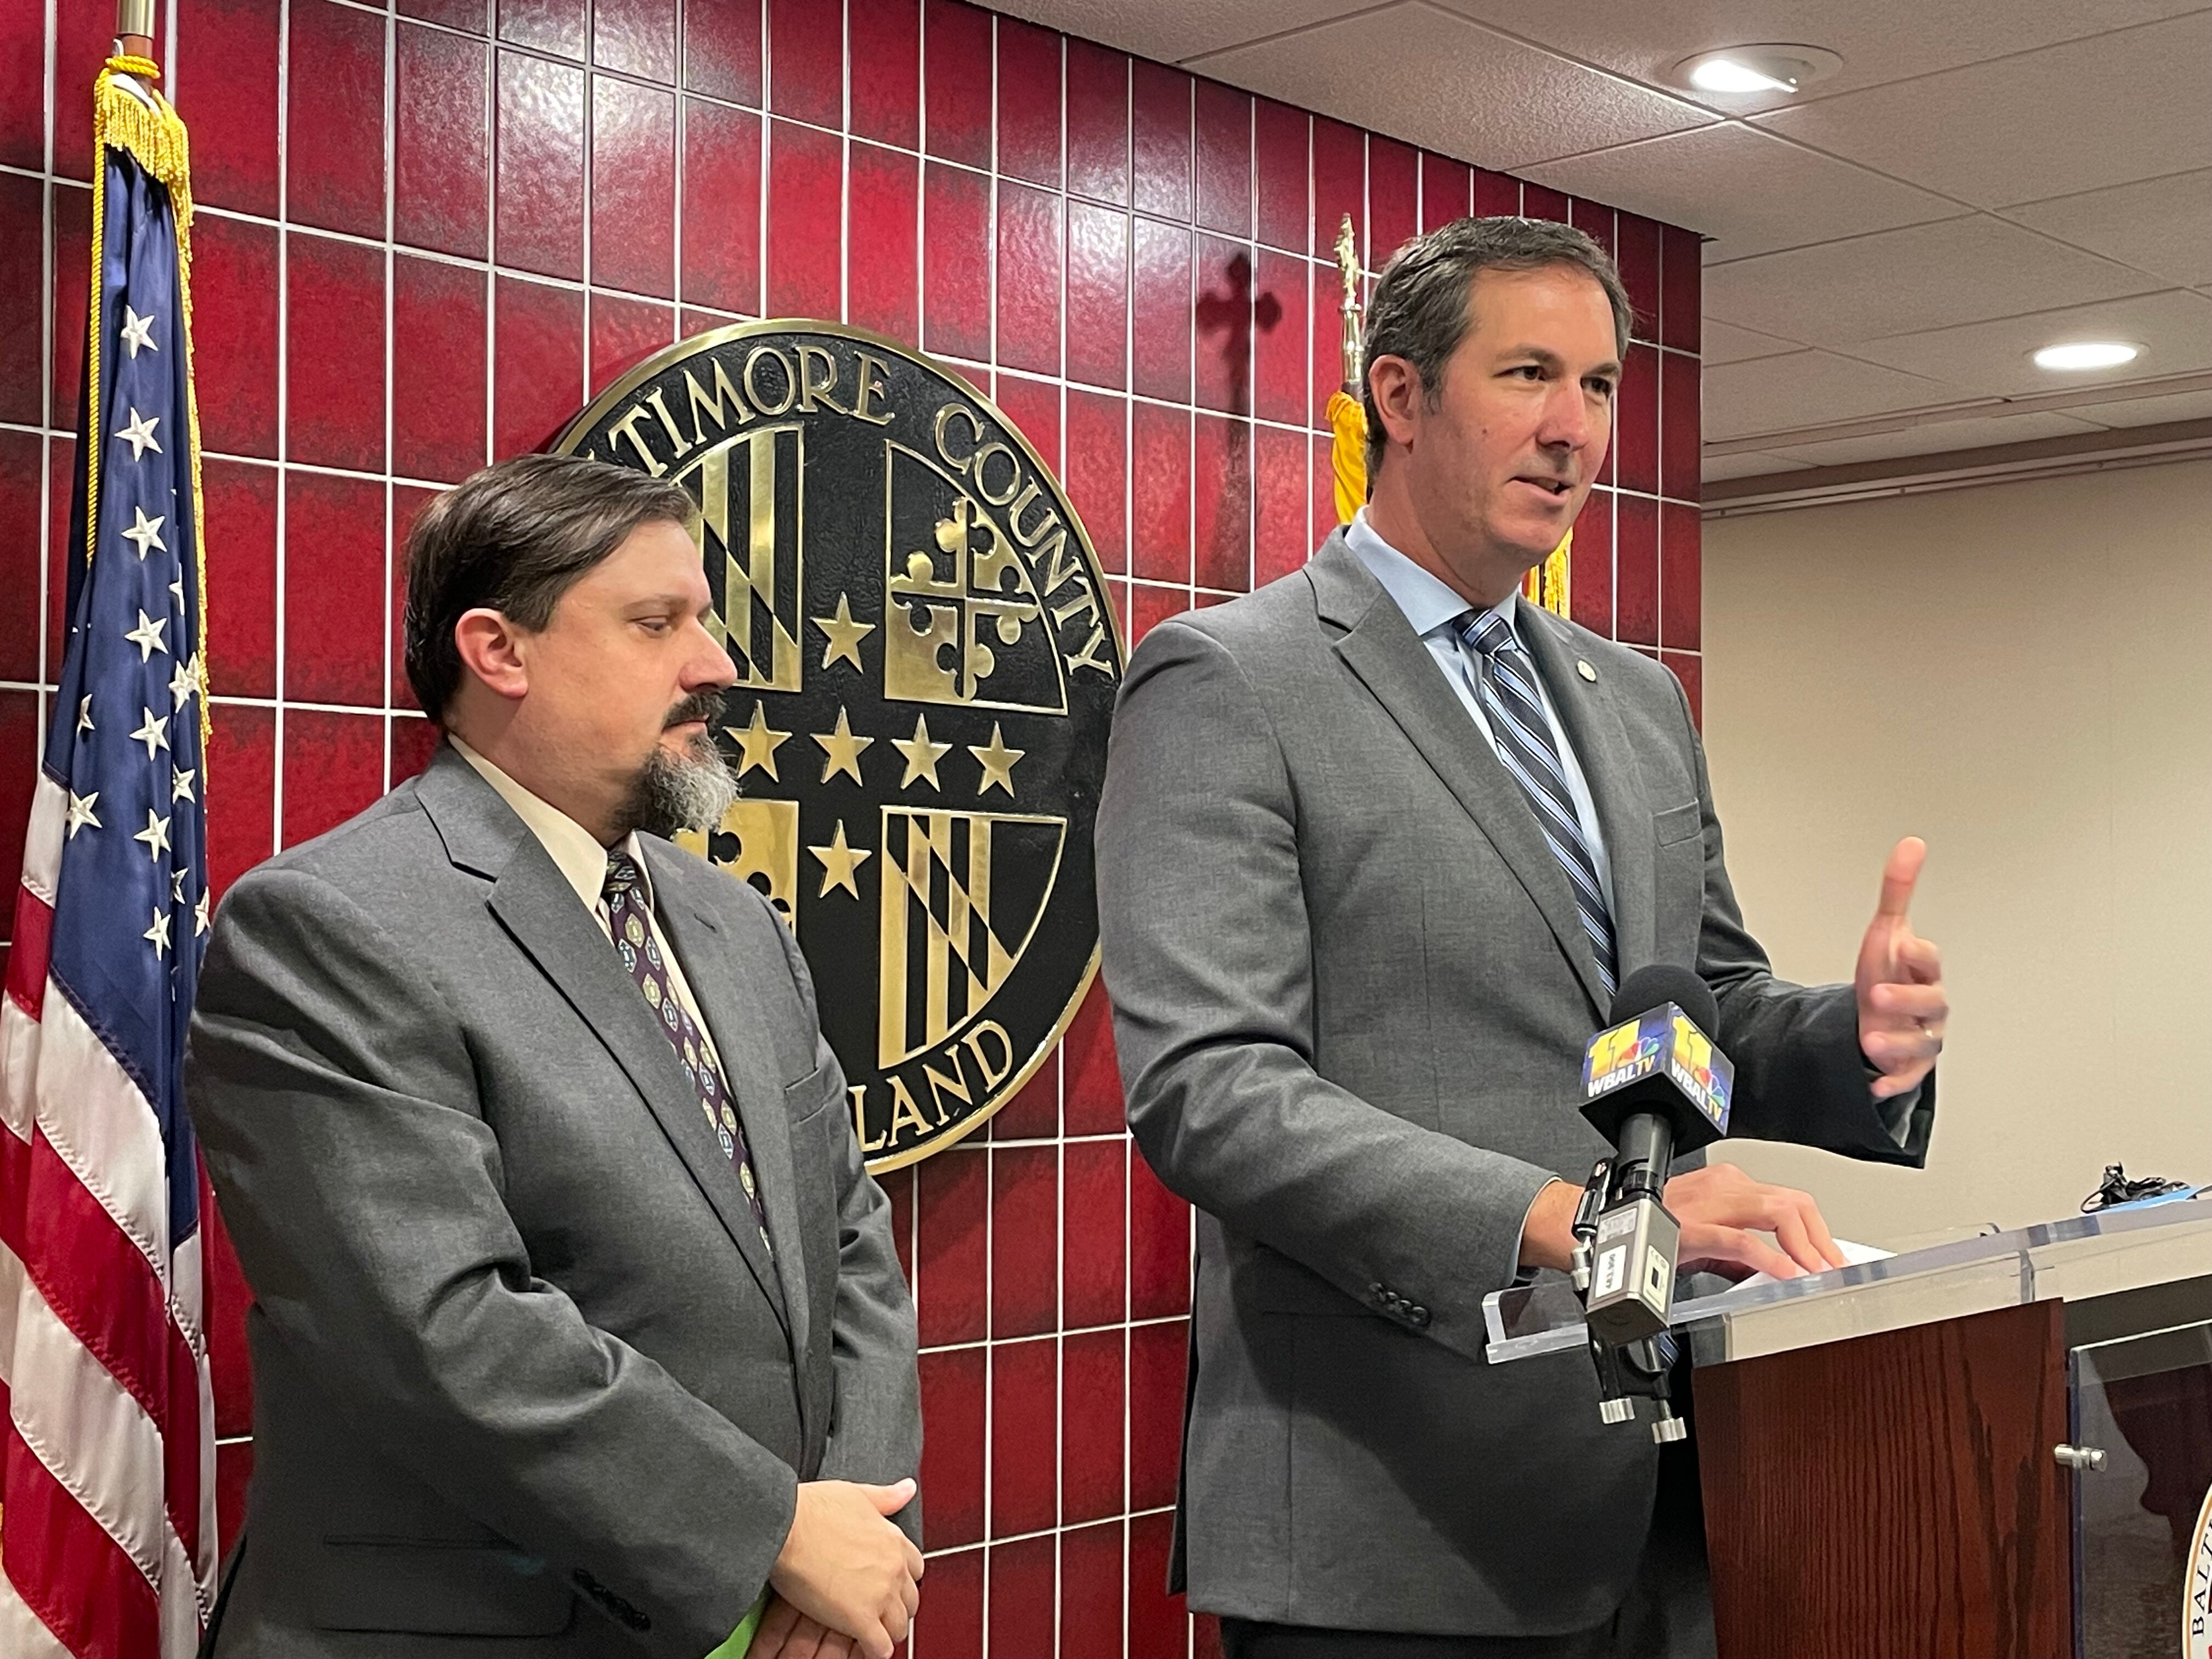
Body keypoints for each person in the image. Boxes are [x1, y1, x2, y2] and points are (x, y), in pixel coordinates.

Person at [1093, 217, 1948, 1658]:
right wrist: (1561, 1221)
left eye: (1602, 386)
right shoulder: (1228, 683)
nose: (1574, 431)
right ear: (1402, 397)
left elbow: (1690, 1017)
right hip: (1387, 1525)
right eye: (1530, 374)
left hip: (1663, 1508)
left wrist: (1848, 1041)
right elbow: (1213, 1092)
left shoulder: (1636, 700)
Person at [188, 454, 922, 1659]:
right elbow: (445, 1332)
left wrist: (859, 1533)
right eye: (656, 624)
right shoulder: (327, 928)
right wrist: (769, 1535)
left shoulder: (736, 924)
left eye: (705, 619)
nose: (715, 664)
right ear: (500, 652)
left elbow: (848, 1239)